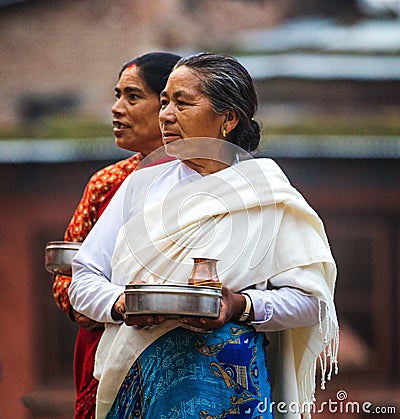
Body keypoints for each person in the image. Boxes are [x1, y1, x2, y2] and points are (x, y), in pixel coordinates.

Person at [69, 53, 339, 419]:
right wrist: (122, 305)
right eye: (164, 101)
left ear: (228, 118)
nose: (165, 115)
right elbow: (83, 279)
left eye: (182, 103)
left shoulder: (268, 194)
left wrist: (240, 306)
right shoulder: (141, 185)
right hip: (140, 384)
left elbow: (313, 302)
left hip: (233, 393)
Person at [51, 51, 181, 418]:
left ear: (169, 105)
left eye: (133, 96)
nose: (116, 108)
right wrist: (113, 305)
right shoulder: (107, 183)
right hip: (102, 353)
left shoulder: (208, 182)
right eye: (117, 95)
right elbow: (67, 282)